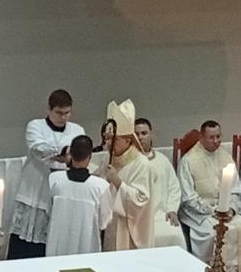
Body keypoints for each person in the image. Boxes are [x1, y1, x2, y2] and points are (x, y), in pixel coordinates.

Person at [8, 89, 85, 259]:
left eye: (67, 113)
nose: (63, 117)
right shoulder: (35, 126)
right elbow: (38, 148)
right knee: (27, 244)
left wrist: (68, 156)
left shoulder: (77, 130)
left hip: (62, 190)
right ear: (48, 109)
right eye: (59, 113)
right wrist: (61, 153)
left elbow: (79, 154)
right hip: (37, 187)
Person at [177, 120, 241, 272]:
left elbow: (236, 189)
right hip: (199, 211)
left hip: (226, 209)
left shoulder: (226, 158)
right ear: (201, 137)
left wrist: (230, 209)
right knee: (213, 233)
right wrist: (213, 211)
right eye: (211, 137)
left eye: (218, 137)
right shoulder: (189, 160)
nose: (216, 141)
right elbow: (188, 197)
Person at [102, 100, 154, 251]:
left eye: (114, 139)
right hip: (110, 223)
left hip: (129, 228)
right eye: (107, 138)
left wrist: (117, 182)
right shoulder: (107, 158)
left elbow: (141, 199)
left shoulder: (140, 163)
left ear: (127, 139)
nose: (109, 143)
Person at [46, 135, 112, 256]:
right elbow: (104, 222)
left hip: (57, 244)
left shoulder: (54, 179)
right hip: (86, 246)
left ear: (70, 154)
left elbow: (48, 210)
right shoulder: (101, 186)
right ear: (90, 156)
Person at [134, 117, 186, 249]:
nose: (140, 138)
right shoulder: (129, 163)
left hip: (161, 215)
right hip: (137, 217)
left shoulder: (162, 160)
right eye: (136, 134)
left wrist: (172, 209)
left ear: (151, 134)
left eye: (144, 133)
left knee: (175, 235)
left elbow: (173, 187)